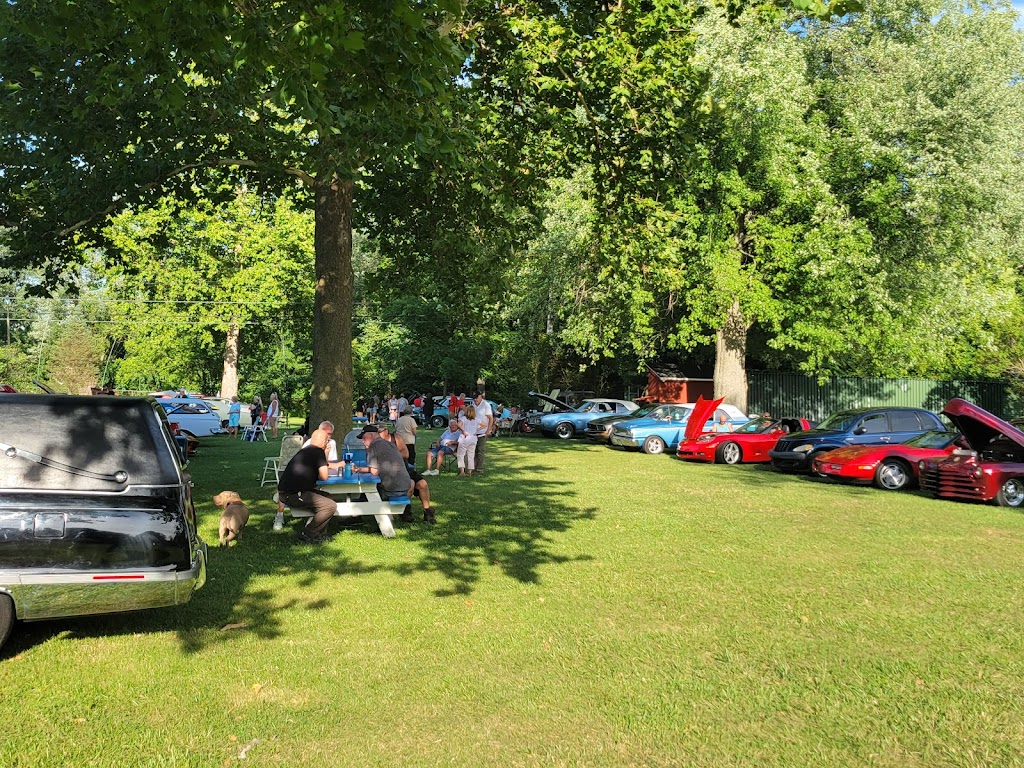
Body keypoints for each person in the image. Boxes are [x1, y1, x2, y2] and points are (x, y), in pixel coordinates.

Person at [355, 425, 434, 524]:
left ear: (371, 435)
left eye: (364, 438)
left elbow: (374, 471)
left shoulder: (376, 445)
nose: (362, 441)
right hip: (404, 482)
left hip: (394, 486)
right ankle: (408, 513)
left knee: (368, 490)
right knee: (411, 483)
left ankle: (355, 515)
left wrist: (361, 469)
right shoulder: (389, 444)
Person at [277, 428, 337, 543]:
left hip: (290, 491)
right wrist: (325, 454)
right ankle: (308, 533)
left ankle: (320, 534)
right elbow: (324, 476)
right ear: (324, 442)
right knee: (330, 506)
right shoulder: (318, 452)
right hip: (293, 494)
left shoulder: (306, 450)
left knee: (328, 497)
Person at [457, 403, 483, 477]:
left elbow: (458, 425)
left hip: (465, 438)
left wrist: (463, 431)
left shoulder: (463, 418)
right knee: (471, 455)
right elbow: (484, 424)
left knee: (461, 455)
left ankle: (462, 471)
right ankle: (469, 471)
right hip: (473, 438)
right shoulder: (476, 419)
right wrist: (477, 430)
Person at [471, 392, 494, 473]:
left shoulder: (486, 405)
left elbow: (491, 418)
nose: (475, 399)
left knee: (480, 450)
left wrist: (489, 429)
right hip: (473, 431)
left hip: (483, 431)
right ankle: (472, 466)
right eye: (474, 398)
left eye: (476, 397)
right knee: (473, 450)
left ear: (480, 396)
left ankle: (479, 468)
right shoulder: (473, 405)